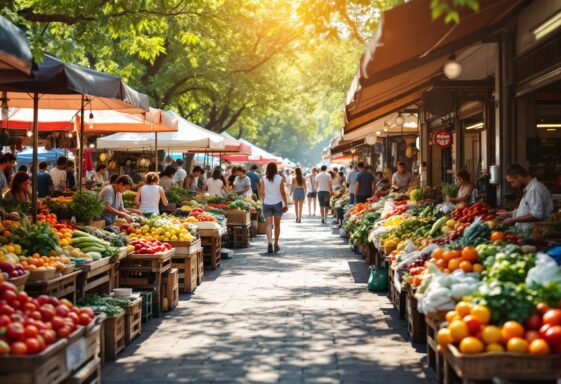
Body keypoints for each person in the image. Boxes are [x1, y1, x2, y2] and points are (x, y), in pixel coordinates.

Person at [496, 164, 554, 230]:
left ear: (519, 177)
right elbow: (527, 210)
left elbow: (536, 215)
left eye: (512, 182)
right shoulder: (530, 189)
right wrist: (510, 214)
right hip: (527, 233)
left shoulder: (534, 189)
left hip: (534, 234)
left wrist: (512, 220)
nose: (512, 185)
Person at [260, 161, 288, 253]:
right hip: (278, 203)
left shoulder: (264, 178)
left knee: (268, 224)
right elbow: (282, 192)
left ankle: (269, 242)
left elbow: (261, 192)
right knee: (277, 225)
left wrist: (263, 200)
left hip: (267, 203)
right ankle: (276, 243)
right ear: (276, 169)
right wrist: (286, 204)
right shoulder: (280, 178)